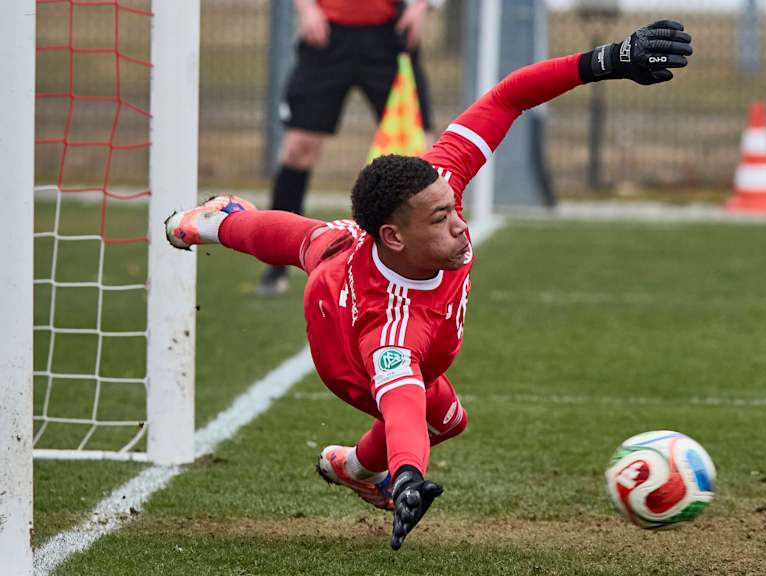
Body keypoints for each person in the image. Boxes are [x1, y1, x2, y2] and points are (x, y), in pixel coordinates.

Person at [165, 20, 692, 550]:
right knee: (326, 268)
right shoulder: (391, 332)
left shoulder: (435, 187)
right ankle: (214, 224)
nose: (461, 224)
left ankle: (212, 223)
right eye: (442, 219)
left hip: (355, 253)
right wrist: (410, 475)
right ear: (395, 236)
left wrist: (605, 60)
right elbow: (400, 410)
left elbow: (508, 98)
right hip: (344, 345)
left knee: (318, 239)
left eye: (452, 206)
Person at [261, 0, 437, 296]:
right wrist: (306, 8)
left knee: (419, 150)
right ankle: (278, 263)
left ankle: (423, 262)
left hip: (389, 36)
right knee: (298, 148)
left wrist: (421, 6)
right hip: (327, 36)